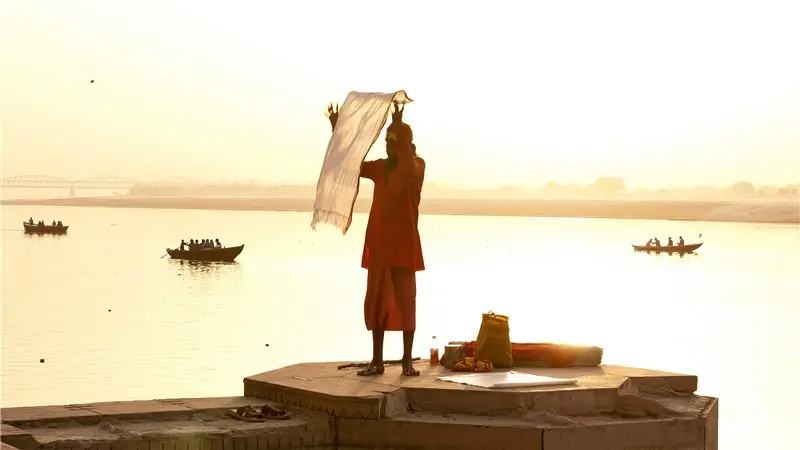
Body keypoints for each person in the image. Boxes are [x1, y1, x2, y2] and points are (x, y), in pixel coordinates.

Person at [327, 101, 426, 377]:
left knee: (407, 303)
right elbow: (351, 163)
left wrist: (398, 127)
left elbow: (407, 166)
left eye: (392, 141)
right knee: (377, 304)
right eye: (387, 141)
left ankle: (407, 361)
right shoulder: (382, 169)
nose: (387, 146)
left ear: (405, 143)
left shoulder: (416, 167)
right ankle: (377, 361)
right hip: (381, 246)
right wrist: (338, 129)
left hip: (404, 247)